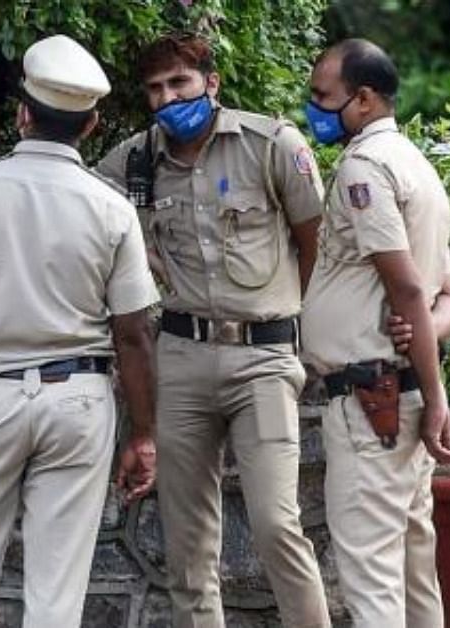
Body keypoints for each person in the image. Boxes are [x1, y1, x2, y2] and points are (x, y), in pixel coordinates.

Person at [0, 34, 160, 628]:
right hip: (79, 398)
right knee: (56, 591)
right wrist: (143, 433)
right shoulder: (112, 207)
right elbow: (132, 335)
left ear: (23, 113)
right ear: (92, 125)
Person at [96, 33, 331, 628]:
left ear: (211, 82)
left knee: (278, 524)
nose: (168, 98)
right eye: (154, 89)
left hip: (264, 356)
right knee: (187, 542)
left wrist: (299, 325)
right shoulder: (134, 160)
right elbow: (75, 202)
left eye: (179, 82)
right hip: (180, 356)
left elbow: (315, 245)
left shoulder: (270, 144)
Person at [300, 38, 450, 627]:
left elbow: (411, 291)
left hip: (372, 400)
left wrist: (436, 390)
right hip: (402, 398)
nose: (311, 108)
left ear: (363, 99)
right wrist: (428, 378)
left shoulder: (364, 169)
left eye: (323, 96)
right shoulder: (417, 165)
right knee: (414, 570)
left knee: (371, 579)